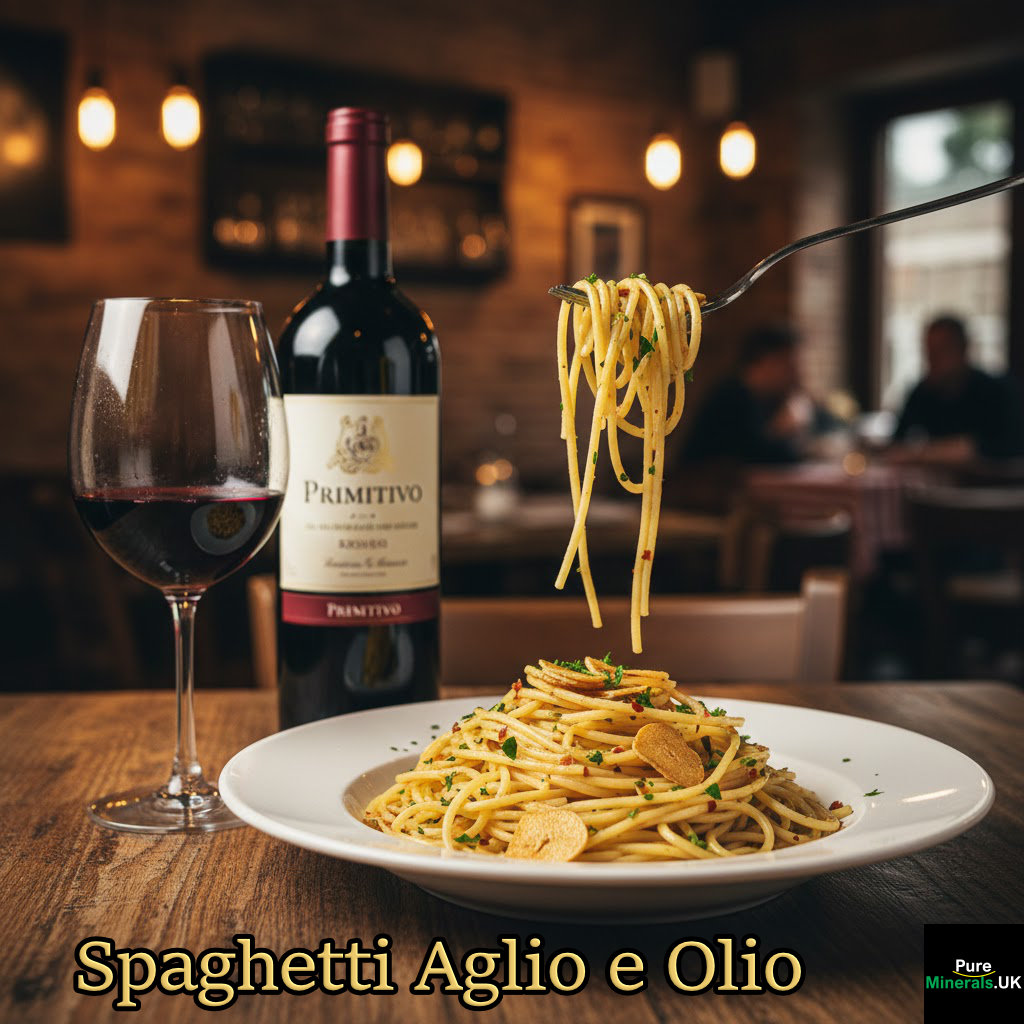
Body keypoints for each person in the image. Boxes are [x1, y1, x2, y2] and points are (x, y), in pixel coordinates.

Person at [681, 324, 839, 466]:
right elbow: (758, 457)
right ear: (765, 362)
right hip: (708, 493)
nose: (798, 374)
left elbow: (830, 426)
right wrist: (783, 430)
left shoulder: (777, 398)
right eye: (790, 365)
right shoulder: (731, 398)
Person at [891, 315, 1024, 460]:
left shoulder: (996, 392)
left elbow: (1012, 446)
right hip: (938, 480)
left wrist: (962, 449)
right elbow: (897, 442)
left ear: (963, 349)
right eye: (929, 351)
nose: (933, 359)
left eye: (942, 350)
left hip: (994, 481)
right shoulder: (922, 392)